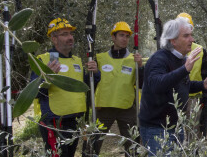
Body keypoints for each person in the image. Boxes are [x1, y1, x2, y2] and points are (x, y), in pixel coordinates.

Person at [138, 17, 207, 156]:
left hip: (175, 126)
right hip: (156, 128)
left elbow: (181, 84)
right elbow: (157, 85)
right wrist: (184, 69)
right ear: (172, 40)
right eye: (186, 36)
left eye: (191, 35)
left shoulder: (181, 59)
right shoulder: (159, 59)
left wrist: (202, 85)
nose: (192, 39)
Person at [31, 18, 99, 157]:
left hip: (74, 121)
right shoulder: (45, 60)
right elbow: (34, 92)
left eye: (71, 34)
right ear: (54, 39)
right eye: (65, 34)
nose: (70, 37)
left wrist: (95, 74)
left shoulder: (77, 61)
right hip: (54, 121)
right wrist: (47, 77)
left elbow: (84, 87)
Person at [90, 21, 143, 156]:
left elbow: (141, 83)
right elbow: (94, 81)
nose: (124, 39)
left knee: (133, 145)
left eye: (127, 36)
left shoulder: (134, 59)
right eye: (121, 35)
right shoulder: (100, 58)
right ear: (113, 37)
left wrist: (141, 67)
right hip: (104, 108)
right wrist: (95, 72)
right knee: (93, 143)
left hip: (127, 108)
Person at [176, 13, 207, 139]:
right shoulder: (169, 51)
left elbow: (205, 77)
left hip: (194, 99)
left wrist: (206, 108)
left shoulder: (201, 51)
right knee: (175, 134)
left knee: (193, 136)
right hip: (176, 98)